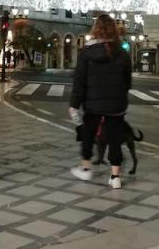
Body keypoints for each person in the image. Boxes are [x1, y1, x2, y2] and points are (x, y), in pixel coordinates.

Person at [69, 14, 131, 189]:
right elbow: (128, 81)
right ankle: (115, 176)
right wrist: (120, 94)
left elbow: (79, 81)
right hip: (117, 103)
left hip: (92, 103)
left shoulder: (86, 53)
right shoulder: (123, 52)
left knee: (88, 134)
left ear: (95, 29)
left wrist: (74, 104)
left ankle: (86, 168)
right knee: (114, 137)